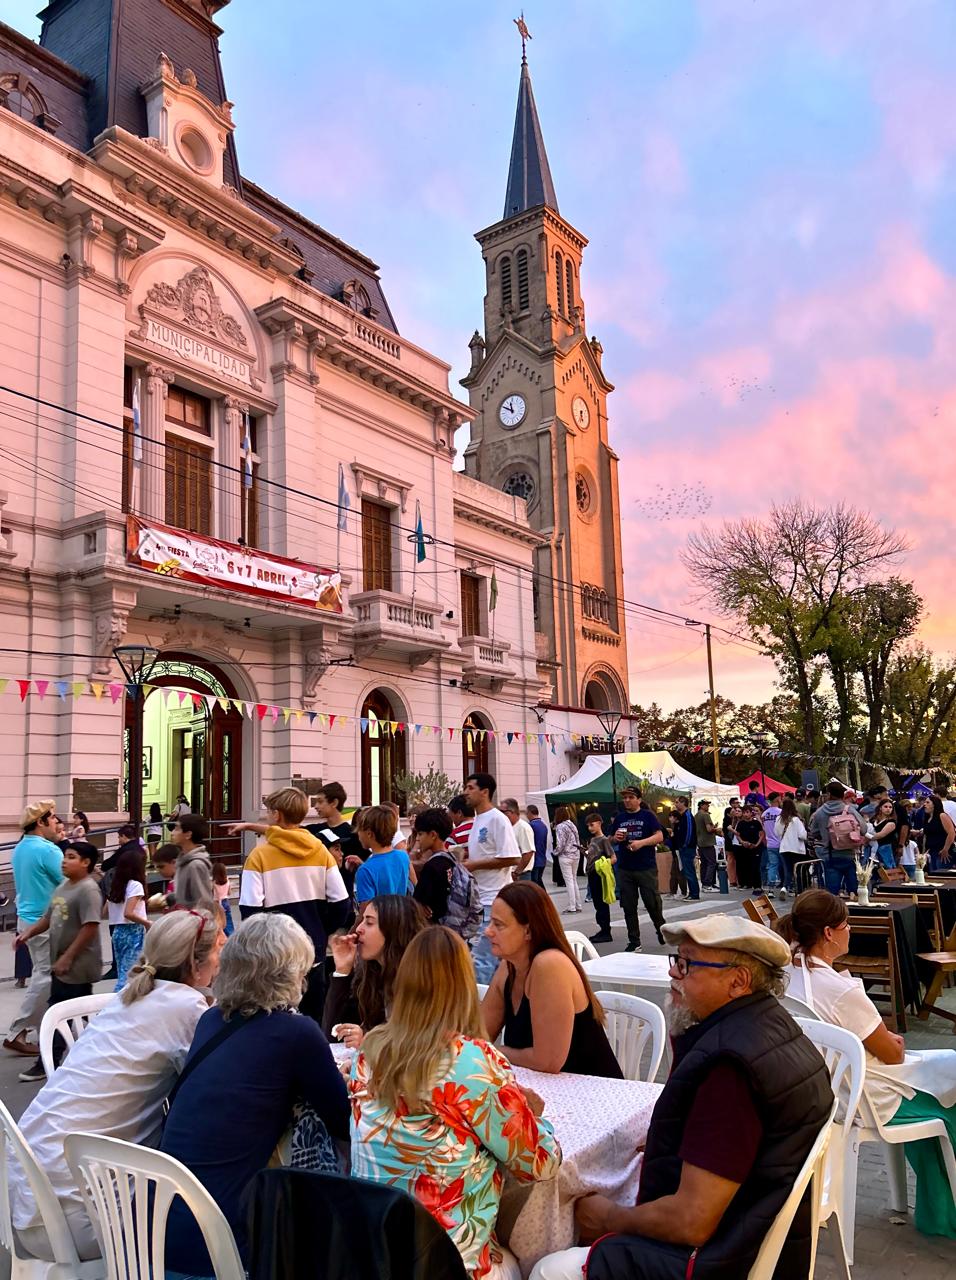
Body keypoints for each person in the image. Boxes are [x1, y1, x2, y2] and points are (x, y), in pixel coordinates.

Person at [530, 915, 833, 1280]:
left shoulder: (730, 1068)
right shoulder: (771, 1024)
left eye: (688, 964)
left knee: (548, 1267)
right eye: (677, 960)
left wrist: (610, 1219)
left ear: (738, 981)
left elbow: (692, 1222)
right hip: (754, 1226)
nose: (674, 973)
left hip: (722, 1257)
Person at [350, 926, 562, 1280]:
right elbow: (541, 1164)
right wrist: (533, 1117)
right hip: (449, 1266)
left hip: (374, 1258)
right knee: (541, 1261)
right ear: (463, 986)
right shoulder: (473, 1062)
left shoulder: (369, 1053)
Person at [8, 909, 221, 1262]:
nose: (220, 956)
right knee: (210, 1206)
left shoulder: (128, 996)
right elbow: (212, 1090)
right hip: (81, 1219)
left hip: (28, 1200)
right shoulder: (186, 1006)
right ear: (194, 964)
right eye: (216, 949)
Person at [161, 914, 350, 1276]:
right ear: (290, 974)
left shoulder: (212, 1021)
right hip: (219, 1248)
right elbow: (343, 1122)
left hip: (153, 1230)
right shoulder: (296, 1033)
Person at [777, 890, 956, 1239]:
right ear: (829, 933)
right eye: (846, 925)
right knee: (947, 1092)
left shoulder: (786, 972)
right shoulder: (841, 991)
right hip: (865, 1094)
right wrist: (893, 1042)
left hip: (827, 1088)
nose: (850, 931)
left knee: (944, 1071)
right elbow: (892, 1054)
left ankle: (936, 1209)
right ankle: (944, 1212)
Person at [232, 787, 350, 1021]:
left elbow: (250, 911)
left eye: (268, 812)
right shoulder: (321, 852)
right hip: (312, 952)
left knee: (275, 1020)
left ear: (277, 815)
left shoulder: (259, 856)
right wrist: (321, 929)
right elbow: (341, 903)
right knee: (314, 1018)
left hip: (275, 956)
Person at [483, 881, 622, 1078]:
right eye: (490, 922)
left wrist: (495, 1052)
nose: (487, 931)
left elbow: (547, 1061)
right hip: (542, 1089)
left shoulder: (549, 964)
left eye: (498, 925)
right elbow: (477, 1037)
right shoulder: (510, 966)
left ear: (528, 931)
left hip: (593, 1094)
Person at [14, 840, 103, 1083]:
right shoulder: (64, 885)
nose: (64, 861)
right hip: (61, 963)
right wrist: (28, 933)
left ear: (86, 863)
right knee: (74, 1015)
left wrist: (68, 957)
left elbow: (90, 927)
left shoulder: (88, 889)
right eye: (65, 856)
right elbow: (49, 917)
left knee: (63, 1013)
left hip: (77, 966)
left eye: (71, 857)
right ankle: (92, 1058)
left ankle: (48, 1062)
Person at [322, 895, 428, 1048]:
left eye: (369, 922)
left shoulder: (419, 979)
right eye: (363, 919)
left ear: (393, 929)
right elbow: (333, 1034)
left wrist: (368, 1041)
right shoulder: (371, 973)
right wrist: (342, 971)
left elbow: (417, 1045)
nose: (359, 929)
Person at [4, 800, 64, 1058]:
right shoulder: (48, 850)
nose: (57, 823)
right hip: (45, 922)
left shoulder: (20, 849)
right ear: (40, 822)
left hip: (28, 919)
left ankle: (42, 1031)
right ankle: (17, 1031)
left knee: (47, 977)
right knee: (46, 978)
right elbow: (70, 882)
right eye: (53, 818)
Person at [462, 773, 522, 983]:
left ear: (484, 792)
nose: (465, 793)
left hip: (494, 898)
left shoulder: (497, 819)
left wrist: (474, 865)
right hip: (480, 899)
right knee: (492, 959)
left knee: (481, 960)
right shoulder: (478, 820)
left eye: (470, 788)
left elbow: (513, 857)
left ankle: (482, 1010)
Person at [608, 787, 666, 952]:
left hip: (645, 867)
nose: (627, 800)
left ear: (639, 799)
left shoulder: (648, 816)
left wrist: (641, 843)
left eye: (631, 797)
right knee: (628, 905)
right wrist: (615, 838)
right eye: (625, 797)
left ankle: (661, 928)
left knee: (652, 902)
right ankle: (634, 940)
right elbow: (610, 838)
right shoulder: (620, 818)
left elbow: (660, 836)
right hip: (625, 868)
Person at [412, 809, 483, 939]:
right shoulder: (452, 860)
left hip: (434, 933)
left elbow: (418, 906)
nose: (417, 838)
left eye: (420, 834)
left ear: (433, 835)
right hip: (455, 931)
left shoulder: (432, 866)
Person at [809, 781, 867, 896]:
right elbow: (864, 829)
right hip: (851, 854)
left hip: (831, 854)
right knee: (855, 891)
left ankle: (835, 912)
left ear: (828, 794)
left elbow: (814, 832)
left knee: (832, 893)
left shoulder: (819, 813)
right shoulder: (850, 810)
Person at [106, 842, 150, 992]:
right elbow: (129, 913)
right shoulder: (136, 885)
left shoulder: (117, 885)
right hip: (133, 931)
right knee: (128, 975)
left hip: (117, 931)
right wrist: (147, 922)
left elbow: (105, 911)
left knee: (121, 971)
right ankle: (115, 1003)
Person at [353, 805, 412, 905]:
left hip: (379, 919)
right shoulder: (403, 857)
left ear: (369, 834)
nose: (357, 833)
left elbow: (366, 911)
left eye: (359, 829)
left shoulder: (365, 870)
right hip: (401, 917)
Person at [168, 814, 216, 913]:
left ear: (188, 834)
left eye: (177, 829)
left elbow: (203, 904)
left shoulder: (196, 865)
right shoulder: (183, 860)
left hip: (192, 925)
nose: (172, 833)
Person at [584, 812, 616, 943]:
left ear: (599, 824)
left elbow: (613, 857)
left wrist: (603, 864)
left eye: (592, 825)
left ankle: (606, 931)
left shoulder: (604, 840)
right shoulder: (593, 840)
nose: (590, 828)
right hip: (592, 873)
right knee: (597, 902)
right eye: (588, 826)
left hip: (599, 874)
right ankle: (602, 929)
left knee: (601, 903)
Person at [774, 797, 808, 899]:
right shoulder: (796, 820)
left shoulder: (778, 819)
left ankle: (784, 888)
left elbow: (777, 833)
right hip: (796, 848)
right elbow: (802, 835)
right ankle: (799, 891)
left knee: (788, 870)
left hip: (784, 848)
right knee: (798, 870)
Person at [553, 805, 583, 913]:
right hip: (576, 855)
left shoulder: (560, 826)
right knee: (574, 880)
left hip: (565, 856)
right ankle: (578, 904)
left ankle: (572, 906)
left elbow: (560, 843)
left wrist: (555, 852)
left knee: (569, 881)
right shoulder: (572, 824)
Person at [671, 796, 699, 902]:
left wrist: (685, 844)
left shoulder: (687, 816)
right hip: (683, 847)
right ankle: (692, 892)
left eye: (677, 802)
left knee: (689, 870)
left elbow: (689, 832)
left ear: (683, 803)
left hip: (687, 847)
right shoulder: (681, 816)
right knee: (686, 870)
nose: (675, 804)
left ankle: (694, 893)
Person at [733, 803, 766, 893]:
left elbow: (761, 834)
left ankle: (757, 885)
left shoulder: (756, 823)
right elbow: (738, 835)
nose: (745, 814)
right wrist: (742, 842)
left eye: (747, 812)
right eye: (744, 812)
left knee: (756, 866)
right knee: (746, 865)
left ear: (751, 813)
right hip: (744, 847)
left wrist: (756, 844)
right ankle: (747, 883)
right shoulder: (741, 823)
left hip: (755, 847)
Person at [500, 798, 536, 879]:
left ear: (512, 811)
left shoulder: (523, 828)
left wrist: (516, 873)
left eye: (504, 812)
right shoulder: (507, 827)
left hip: (521, 875)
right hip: (509, 874)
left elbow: (528, 853)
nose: (501, 814)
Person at [922, 794, 955, 871]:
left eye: (927, 802)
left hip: (941, 851)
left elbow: (951, 832)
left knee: (941, 873)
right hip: (931, 851)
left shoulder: (942, 815)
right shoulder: (928, 818)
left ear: (934, 804)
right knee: (932, 873)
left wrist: (945, 849)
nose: (924, 804)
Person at [761, 793, 784, 895]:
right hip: (782, 843)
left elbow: (763, 827)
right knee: (785, 865)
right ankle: (788, 886)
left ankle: (771, 889)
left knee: (772, 866)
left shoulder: (764, 814)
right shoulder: (781, 813)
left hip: (770, 843)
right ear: (777, 799)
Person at [870, 798, 899, 875]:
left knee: (887, 870)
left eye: (890, 807)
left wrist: (866, 837)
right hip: (872, 848)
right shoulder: (873, 820)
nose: (888, 809)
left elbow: (881, 835)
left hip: (886, 848)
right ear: (880, 807)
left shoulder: (891, 822)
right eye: (885, 807)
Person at [526, 803, 552, 886]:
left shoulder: (531, 826)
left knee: (534, 882)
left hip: (534, 859)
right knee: (538, 881)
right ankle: (544, 897)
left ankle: (541, 898)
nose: (526, 816)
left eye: (527, 813)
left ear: (530, 813)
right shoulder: (543, 825)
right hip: (542, 858)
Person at [695, 800, 719, 892]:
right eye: (706, 805)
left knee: (704, 864)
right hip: (708, 842)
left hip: (700, 842)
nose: (708, 806)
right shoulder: (705, 815)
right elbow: (709, 829)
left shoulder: (696, 815)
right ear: (701, 805)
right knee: (711, 863)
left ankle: (704, 884)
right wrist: (716, 829)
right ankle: (708, 884)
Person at [721, 798, 742, 889]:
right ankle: (732, 880)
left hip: (737, 841)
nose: (738, 804)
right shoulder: (727, 817)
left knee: (737, 860)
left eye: (738, 803)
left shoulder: (739, 816)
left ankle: (737, 879)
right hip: (730, 841)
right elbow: (728, 829)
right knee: (731, 860)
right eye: (736, 803)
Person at [211, 859, 234, 936]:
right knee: (228, 921)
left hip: (217, 904)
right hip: (226, 902)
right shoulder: (227, 880)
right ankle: (231, 936)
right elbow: (229, 893)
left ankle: (221, 937)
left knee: (218, 922)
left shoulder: (213, 883)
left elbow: (212, 895)